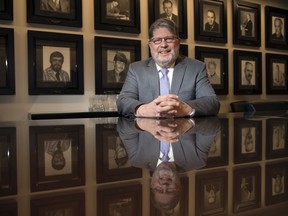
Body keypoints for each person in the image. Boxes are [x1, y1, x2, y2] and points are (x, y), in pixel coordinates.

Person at [117, 18, 220, 118]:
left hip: (184, 133)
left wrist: (185, 108)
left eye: (169, 39)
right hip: (147, 133)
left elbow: (212, 102)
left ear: (178, 43)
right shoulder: (136, 69)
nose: (163, 45)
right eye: (157, 40)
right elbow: (123, 101)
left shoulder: (196, 68)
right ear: (150, 45)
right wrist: (144, 109)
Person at [117, 117, 220, 214]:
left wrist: (147, 122)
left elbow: (123, 128)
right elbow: (212, 127)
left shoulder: (137, 158)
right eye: (170, 190)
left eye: (158, 189)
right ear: (179, 186)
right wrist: (183, 125)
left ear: (151, 184)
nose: (164, 185)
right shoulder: (197, 159)